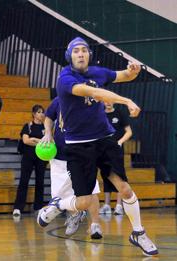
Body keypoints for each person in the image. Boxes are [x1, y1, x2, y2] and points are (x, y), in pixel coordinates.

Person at [37, 37, 158, 256]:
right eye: (76, 51)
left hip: (104, 139)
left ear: (89, 55)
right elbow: (94, 93)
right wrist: (126, 101)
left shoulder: (97, 72)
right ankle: (58, 205)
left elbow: (124, 76)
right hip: (79, 146)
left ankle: (138, 233)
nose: (81, 54)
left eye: (84, 50)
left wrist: (134, 71)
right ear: (70, 56)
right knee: (83, 202)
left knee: (125, 188)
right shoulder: (65, 79)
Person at [42, 96, 102, 239]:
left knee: (92, 189)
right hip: (59, 155)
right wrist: (48, 132)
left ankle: (95, 225)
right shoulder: (58, 100)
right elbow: (48, 118)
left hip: (81, 154)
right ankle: (76, 213)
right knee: (58, 196)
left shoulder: (90, 101)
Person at [12, 105, 47, 217]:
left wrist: (34, 139)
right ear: (33, 114)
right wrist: (40, 141)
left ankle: (38, 207)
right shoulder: (28, 126)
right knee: (24, 181)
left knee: (40, 181)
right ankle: (18, 207)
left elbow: (49, 142)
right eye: (39, 112)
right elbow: (26, 140)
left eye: (42, 112)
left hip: (41, 157)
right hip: (28, 156)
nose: (41, 114)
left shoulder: (46, 128)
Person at [99, 102, 132, 215]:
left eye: (110, 100)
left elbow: (129, 132)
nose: (108, 102)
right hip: (103, 150)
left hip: (116, 150)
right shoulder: (100, 114)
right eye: (106, 100)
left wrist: (120, 142)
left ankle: (119, 205)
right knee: (106, 175)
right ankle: (107, 205)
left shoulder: (120, 113)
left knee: (119, 175)